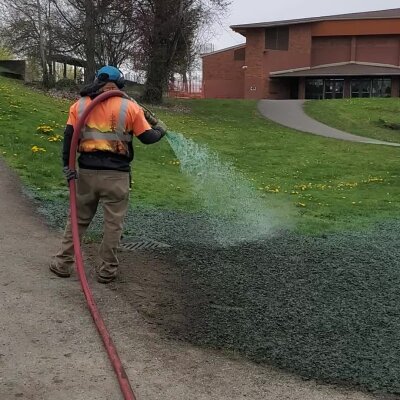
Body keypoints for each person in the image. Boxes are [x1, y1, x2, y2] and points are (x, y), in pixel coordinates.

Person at [50, 65, 167, 283]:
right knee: (113, 224)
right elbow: (148, 137)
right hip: (116, 176)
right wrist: (160, 129)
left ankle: (62, 263)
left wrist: (68, 167)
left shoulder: (80, 105)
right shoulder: (129, 107)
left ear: (97, 81)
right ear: (119, 84)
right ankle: (107, 270)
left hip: (85, 173)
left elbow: (69, 139)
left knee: (77, 219)